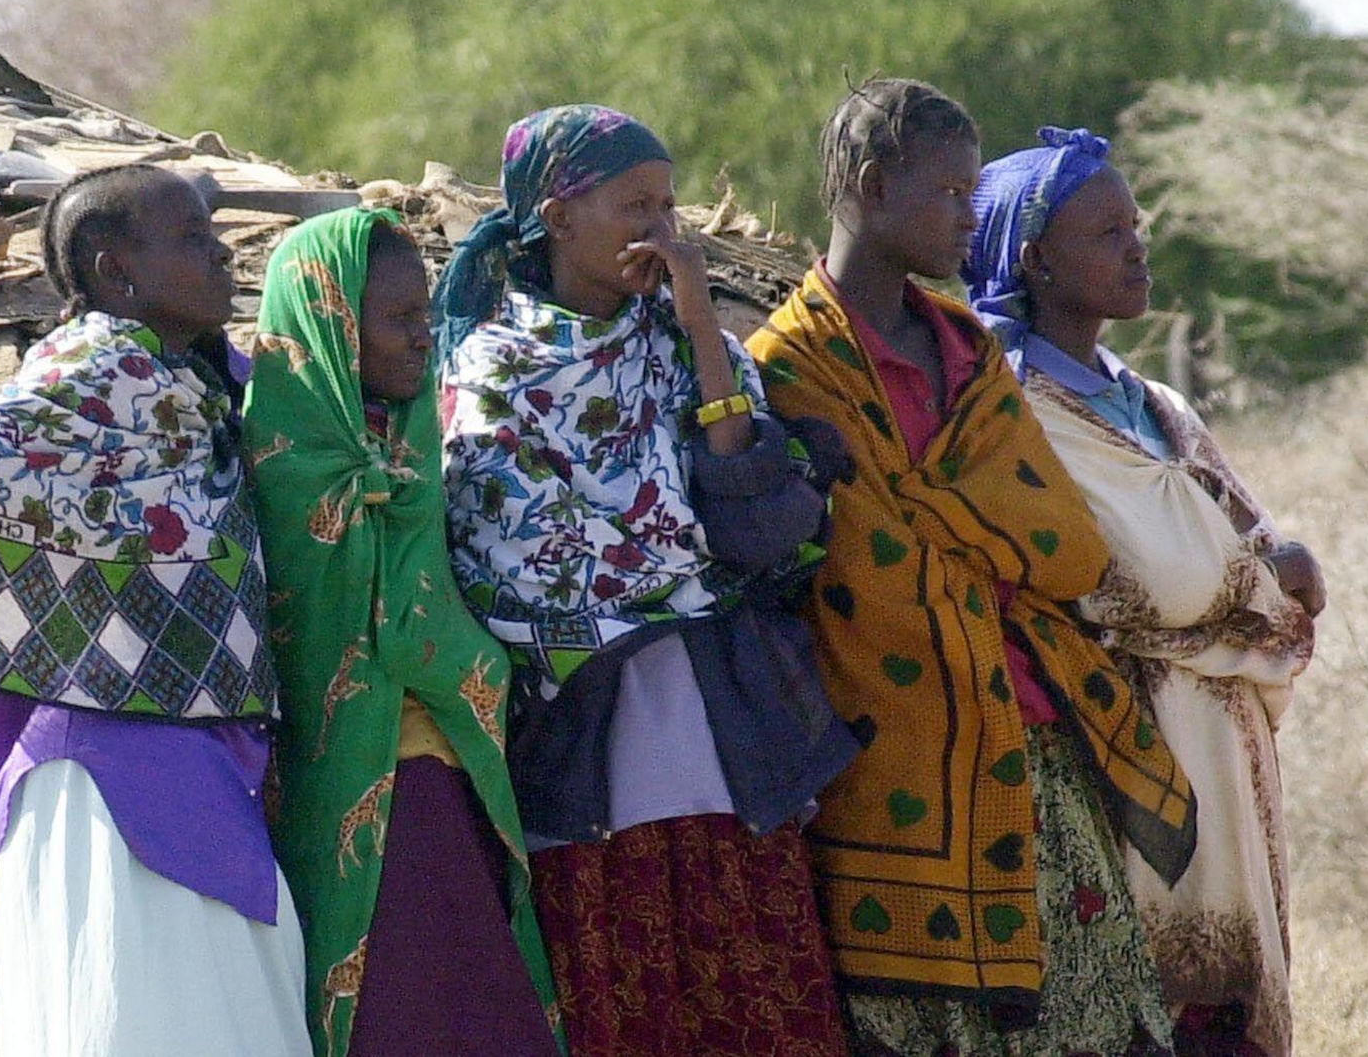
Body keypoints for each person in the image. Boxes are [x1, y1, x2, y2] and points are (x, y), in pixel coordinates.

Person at [746, 79, 1200, 1057]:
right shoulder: (787, 368)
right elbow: (860, 579)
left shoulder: (964, 346)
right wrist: (983, 549)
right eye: (952, 194)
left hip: (1041, 741)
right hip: (901, 770)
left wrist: (945, 542)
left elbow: (1067, 546)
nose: (972, 213)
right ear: (872, 188)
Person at [435, 104, 858, 1057]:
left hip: (726, 737)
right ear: (556, 218)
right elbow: (524, 558)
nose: (661, 232)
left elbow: (756, 520)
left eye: (669, 207)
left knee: (761, 994)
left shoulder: (685, 343)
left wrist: (701, 320)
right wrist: (688, 543)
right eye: (634, 205)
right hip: (593, 741)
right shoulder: (491, 373)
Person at [0, 163, 312, 1057]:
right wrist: (98, 600)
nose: (222, 253)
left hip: (180, 747)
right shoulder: (94, 375)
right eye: (193, 239)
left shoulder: (197, 386)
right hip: (106, 760)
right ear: (118, 273)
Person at [964, 126, 1322, 1057]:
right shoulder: (1020, 414)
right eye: (1107, 232)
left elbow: (1250, 555)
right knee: (1162, 999)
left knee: (1238, 991)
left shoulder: (1160, 404)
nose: (1137, 247)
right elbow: (1161, 584)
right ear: (1035, 260)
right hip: (1127, 752)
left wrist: (1253, 575)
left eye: (1137, 225)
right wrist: (1260, 579)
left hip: (1227, 748)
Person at [244, 206, 561, 1057]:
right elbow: (382, 636)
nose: (425, 337)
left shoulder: (416, 450)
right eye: (398, 320)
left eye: (425, 315)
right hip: (369, 792)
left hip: (453, 782)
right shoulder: (278, 467)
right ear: (332, 327)